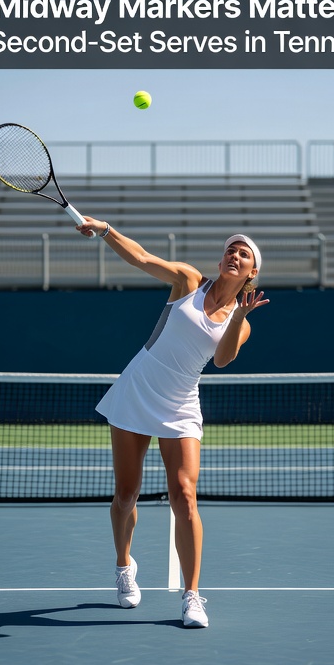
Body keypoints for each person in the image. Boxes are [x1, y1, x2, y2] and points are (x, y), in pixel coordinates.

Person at [75, 216, 269, 628]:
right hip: (137, 388)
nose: (234, 254)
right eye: (230, 249)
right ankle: (124, 564)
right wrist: (106, 230)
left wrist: (237, 317)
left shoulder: (245, 323)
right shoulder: (188, 281)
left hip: (181, 404)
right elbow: (141, 257)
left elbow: (221, 360)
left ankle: (193, 596)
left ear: (252, 272)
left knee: (184, 494)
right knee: (126, 493)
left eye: (244, 253)